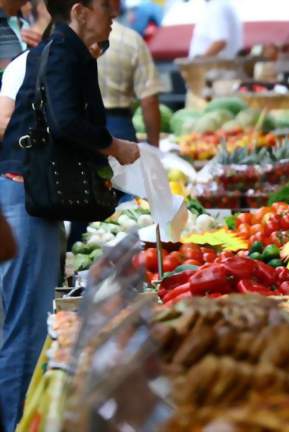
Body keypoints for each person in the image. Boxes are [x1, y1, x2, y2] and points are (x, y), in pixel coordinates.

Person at [0, 0, 140, 428]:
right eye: (106, 6)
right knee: (25, 331)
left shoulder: (62, 46)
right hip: (25, 196)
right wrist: (115, 146)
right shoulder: (61, 49)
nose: (114, 11)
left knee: (27, 323)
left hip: (28, 197)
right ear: (79, 10)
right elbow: (65, 122)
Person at [97, 0, 164, 145]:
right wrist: (154, 147)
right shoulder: (130, 39)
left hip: (79, 128)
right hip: (120, 127)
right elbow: (149, 99)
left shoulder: (64, 40)